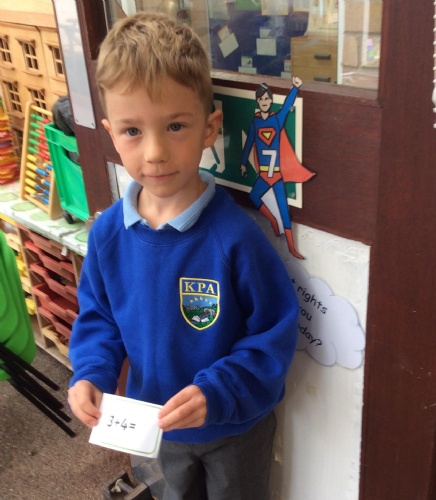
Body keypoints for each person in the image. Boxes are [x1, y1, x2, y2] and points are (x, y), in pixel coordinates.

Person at [67, 12, 299, 500]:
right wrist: (91, 373)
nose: (154, 152)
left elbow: (272, 336)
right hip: (155, 427)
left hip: (235, 428)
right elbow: (99, 318)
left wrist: (218, 392)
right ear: (110, 132)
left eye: (175, 125)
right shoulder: (108, 233)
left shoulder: (237, 238)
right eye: (132, 131)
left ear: (210, 127)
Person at [241, 77, 315, 260]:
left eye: (267, 98)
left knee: (284, 209)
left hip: (276, 175)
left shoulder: (277, 119)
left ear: (271, 100)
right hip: (263, 175)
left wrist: (295, 88)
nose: (264, 102)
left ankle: (292, 248)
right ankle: (273, 222)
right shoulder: (256, 122)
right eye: (261, 99)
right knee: (253, 196)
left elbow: (287, 107)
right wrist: (243, 163)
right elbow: (249, 143)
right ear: (257, 101)